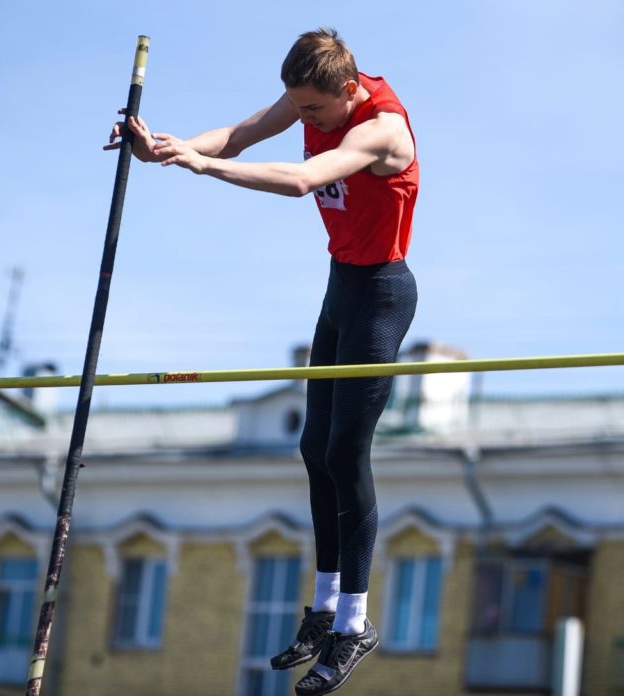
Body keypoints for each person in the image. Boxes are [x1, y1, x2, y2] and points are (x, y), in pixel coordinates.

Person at [106, 27, 418, 696]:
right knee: (314, 450)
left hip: (382, 294)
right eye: (296, 108)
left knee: (346, 452)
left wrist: (203, 167)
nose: (301, 120)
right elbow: (240, 134)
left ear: (347, 90)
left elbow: (303, 179)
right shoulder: (314, 98)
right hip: (341, 289)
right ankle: (327, 607)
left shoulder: (382, 128)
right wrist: (170, 147)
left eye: (310, 112)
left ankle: (356, 622)